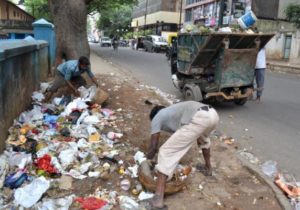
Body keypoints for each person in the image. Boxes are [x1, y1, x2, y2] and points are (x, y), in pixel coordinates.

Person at [146, 101, 219, 210]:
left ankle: (157, 200)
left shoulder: (157, 117)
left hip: (199, 117)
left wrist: (146, 160)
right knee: (203, 140)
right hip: (213, 114)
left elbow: (153, 147)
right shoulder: (172, 111)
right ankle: (208, 168)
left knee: (166, 151)